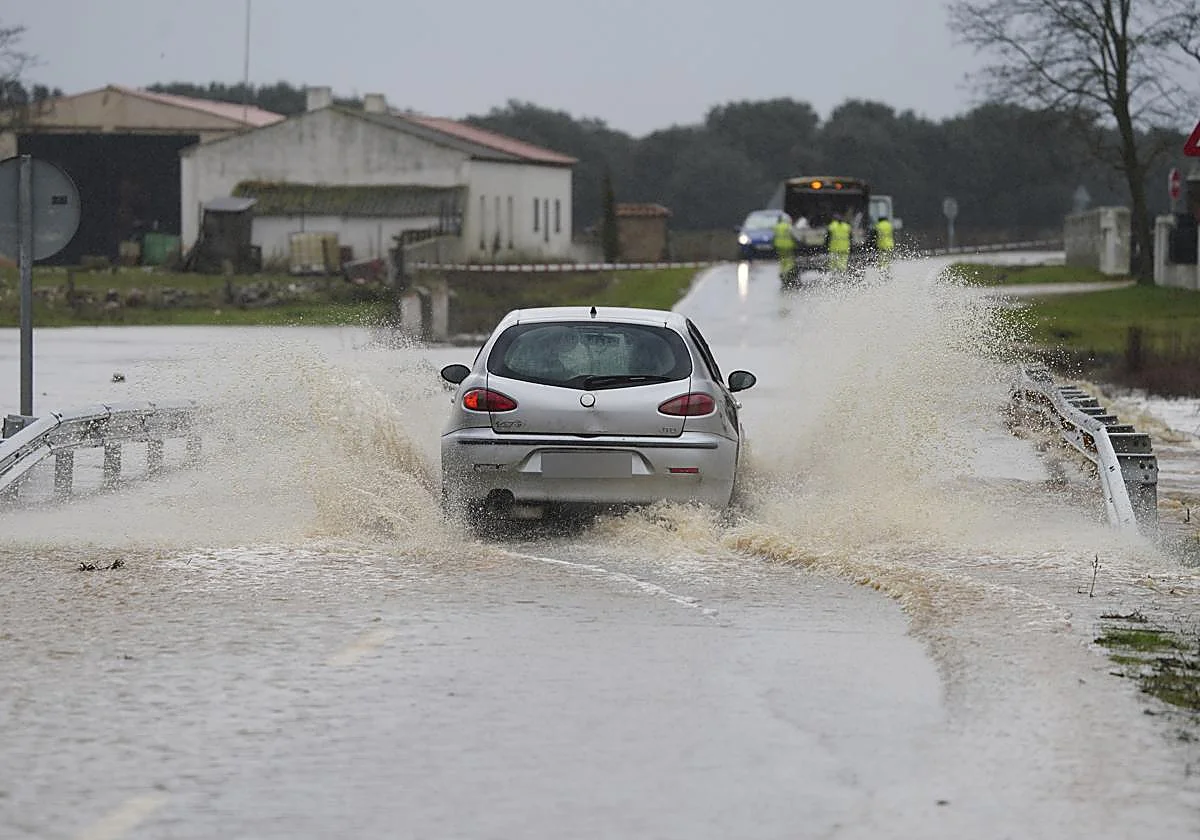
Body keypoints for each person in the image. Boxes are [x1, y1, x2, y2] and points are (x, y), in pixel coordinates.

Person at [773, 213, 797, 281]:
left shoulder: (777, 226)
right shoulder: (788, 226)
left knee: (782, 259)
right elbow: (794, 235)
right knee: (789, 259)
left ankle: (782, 272)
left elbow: (774, 236)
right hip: (788, 246)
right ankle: (787, 271)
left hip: (778, 246)